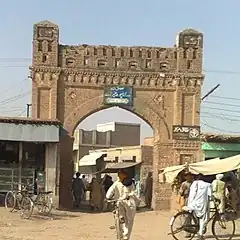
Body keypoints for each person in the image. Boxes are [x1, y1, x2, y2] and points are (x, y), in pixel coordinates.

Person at [106, 169, 140, 240]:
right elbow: (109, 193)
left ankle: (126, 237)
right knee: (124, 220)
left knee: (129, 221)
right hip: (121, 203)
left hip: (129, 204)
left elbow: (134, 192)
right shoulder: (116, 183)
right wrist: (108, 198)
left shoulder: (129, 183)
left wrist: (130, 195)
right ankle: (122, 235)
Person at [186, 173, 212, 240]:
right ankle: (200, 234)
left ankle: (196, 230)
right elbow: (210, 195)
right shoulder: (207, 185)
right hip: (202, 205)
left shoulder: (194, 184)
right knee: (204, 218)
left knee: (195, 218)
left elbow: (191, 195)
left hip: (193, 204)